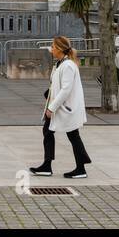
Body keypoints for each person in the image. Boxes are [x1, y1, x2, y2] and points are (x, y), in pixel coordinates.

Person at [30, 36, 92, 179]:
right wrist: (49, 94)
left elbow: (66, 89)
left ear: (59, 49)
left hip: (66, 108)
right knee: (50, 131)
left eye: (53, 47)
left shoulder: (68, 65)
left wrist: (51, 108)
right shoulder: (60, 64)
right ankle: (48, 165)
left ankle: (79, 167)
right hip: (61, 107)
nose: (51, 50)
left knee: (72, 135)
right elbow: (58, 85)